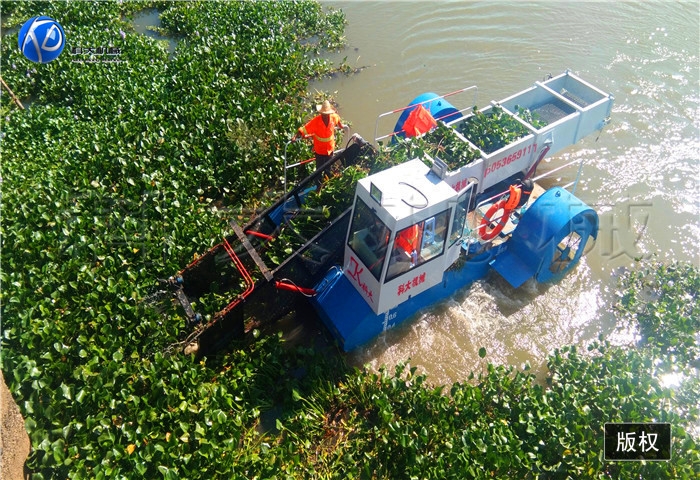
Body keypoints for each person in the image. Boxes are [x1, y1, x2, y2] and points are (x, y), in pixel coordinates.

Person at [292, 100, 348, 169]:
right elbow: (303, 129)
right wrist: (295, 136)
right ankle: (318, 179)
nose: (325, 115)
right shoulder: (316, 121)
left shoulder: (333, 117)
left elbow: (338, 119)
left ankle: (327, 177)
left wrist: (341, 126)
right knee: (319, 168)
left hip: (329, 149)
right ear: (321, 113)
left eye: (326, 114)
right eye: (323, 114)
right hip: (319, 150)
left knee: (328, 168)